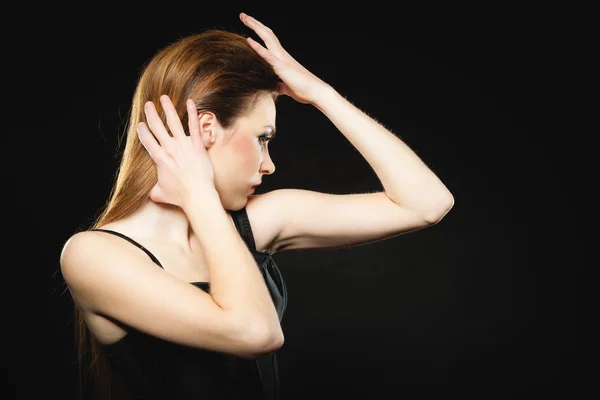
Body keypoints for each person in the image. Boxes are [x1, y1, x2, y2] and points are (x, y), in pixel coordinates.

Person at [59, 12, 454, 400]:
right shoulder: (93, 255)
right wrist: (198, 197)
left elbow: (427, 203)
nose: (269, 164)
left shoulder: (256, 222)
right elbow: (256, 333)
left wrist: (322, 95)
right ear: (207, 130)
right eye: (263, 137)